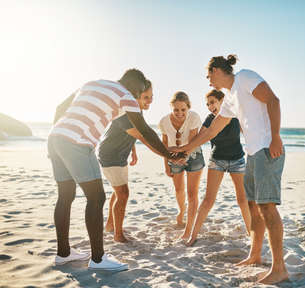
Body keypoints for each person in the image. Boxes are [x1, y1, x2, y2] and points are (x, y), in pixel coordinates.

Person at [48, 69, 184, 271]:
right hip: (78, 143)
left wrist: (58, 135)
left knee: (65, 196)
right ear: (135, 86)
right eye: (140, 92)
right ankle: (98, 259)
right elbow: (145, 130)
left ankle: (64, 254)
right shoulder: (125, 95)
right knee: (96, 198)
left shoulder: (92, 83)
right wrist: (168, 154)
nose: (139, 97)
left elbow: (60, 107)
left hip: (56, 137)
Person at [172, 55, 288, 284]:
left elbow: (273, 101)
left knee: (267, 207)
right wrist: (185, 149)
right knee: (253, 206)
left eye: (209, 75)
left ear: (217, 70)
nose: (208, 81)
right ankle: (255, 255)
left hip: (267, 149)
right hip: (253, 153)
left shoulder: (245, 77)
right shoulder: (230, 98)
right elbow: (210, 132)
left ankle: (279, 268)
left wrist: (275, 137)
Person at [185, 89, 251, 246]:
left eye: (213, 102)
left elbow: (248, 133)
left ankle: (251, 234)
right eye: (207, 104)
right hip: (217, 161)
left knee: (243, 200)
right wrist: (184, 150)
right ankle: (193, 236)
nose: (210, 106)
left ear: (222, 101)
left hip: (237, 160)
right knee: (208, 200)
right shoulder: (209, 119)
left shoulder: (235, 116)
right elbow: (200, 138)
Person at [98, 80, 157, 243]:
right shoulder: (124, 111)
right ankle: (118, 235)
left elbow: (130, 134)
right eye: (146, 97)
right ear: (135, 96)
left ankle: (110, 226)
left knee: (119, 192)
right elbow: (143, 136)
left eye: (152, 96)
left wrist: (133, 151)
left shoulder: (137, 112)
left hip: (120, 155)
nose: (150, 101)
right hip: (110, 155)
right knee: (123, 194)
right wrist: (166, 153)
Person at [159, 91, 205, 240]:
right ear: (171, 108)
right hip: (173, 158)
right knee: (179, 190)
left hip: (193, 156)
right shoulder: (164, 121)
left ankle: (188, 229)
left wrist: (183, 156)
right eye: (176, 110)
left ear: (188, 108)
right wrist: (167, 163)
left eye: (183, 109)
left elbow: (192, 142)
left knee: (192, 193)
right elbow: (164, 144)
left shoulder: (194, 118)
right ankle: (181, 211)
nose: (180, 113)